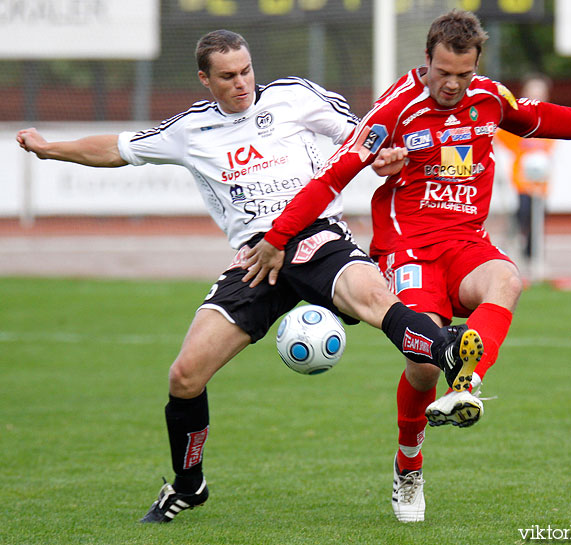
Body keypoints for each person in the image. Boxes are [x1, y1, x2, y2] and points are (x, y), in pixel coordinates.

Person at [15, 30, 481, 523]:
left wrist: (385, 155)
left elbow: (362, 132)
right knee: (185, 375)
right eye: (227, 76)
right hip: (257, 259)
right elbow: (116, 147)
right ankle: (189, 485)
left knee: (373, 298)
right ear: (204, 79)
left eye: (246, 71)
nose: (241, 83)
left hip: (316, 236)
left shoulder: (294, 97)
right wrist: (51, 149)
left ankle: (451, 353)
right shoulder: (190, 130)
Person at [244, 10, 571, 523]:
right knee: (420, 364)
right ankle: (408, 464)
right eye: (443, 73)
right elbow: (332, 178)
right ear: (427, 61)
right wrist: (279, 236)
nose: (453, 85)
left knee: (507, 279)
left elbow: (543, 118)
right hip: (407, 249)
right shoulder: (395, 110)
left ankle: (466, 384)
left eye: (463, 73)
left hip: (464, 242)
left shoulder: (489, 97)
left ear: (475, 64)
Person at [495, 74, 555, 263]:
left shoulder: (549, 119)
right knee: (524, 212)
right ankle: (518, 246)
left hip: (541, 180)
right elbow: (500, 134)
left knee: (539, 217)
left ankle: (533, 254)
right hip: (522, 180)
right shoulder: (518, 120)